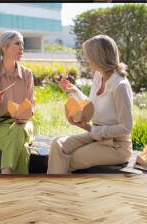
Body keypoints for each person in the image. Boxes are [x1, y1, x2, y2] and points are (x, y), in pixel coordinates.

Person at [47, 35, 133, 174]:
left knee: (69, 159)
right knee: (58, 144)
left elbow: (126, 127)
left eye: (89, 56)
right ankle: (55, 190)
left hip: (116, 146)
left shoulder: (120, 86)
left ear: (98, 57)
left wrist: (89, 128)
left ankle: (57, 192)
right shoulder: (99, 76)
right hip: (96, 136)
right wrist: (74, 90)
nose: (87, 60)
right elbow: (93, 105)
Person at [0, 31, 35, 174]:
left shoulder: (27, 74)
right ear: (4, 47)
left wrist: (25, 114)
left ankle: (6, 175)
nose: (22, 48)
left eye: (22, 44)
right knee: (22, 147)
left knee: (18, 130)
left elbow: (32, 107)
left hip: (24, 125)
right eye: (17, 43)